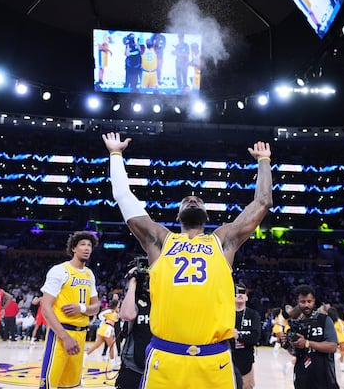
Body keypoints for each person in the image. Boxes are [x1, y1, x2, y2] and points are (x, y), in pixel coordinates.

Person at [102, 132, 272, 389]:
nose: (192, 200)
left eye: (198, 200)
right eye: (186, 201)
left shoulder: (223, 240)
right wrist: (116, 154)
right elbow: (124, 197)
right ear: (178, 214)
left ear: (205, 213)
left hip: (214, 359)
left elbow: (263, 201)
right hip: (166, 358)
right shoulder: (160, 240)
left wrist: (264, 161)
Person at [38, 231, 101, 389]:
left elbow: (96, 307)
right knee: (49, 385)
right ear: (74, 248)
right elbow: (46, 308)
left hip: (81, 335)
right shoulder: (60, 270)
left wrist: (81, 308)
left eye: (90, 245)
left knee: (71, 385)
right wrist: (64, 337)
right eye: (83, 245)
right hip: (61, 334)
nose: (87, 248)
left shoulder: (89, 274)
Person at [279, 284, 339, 389]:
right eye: (303, 302)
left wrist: (307, 343)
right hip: (303, 376)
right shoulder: (295, 324)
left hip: (324, 376)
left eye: (309, 301)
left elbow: (332, 346)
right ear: (297, 302)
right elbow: (295, 353)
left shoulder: (324, 320)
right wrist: (287, 345)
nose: (306, 305)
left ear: (314, 301)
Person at [114, 260, 153, 389]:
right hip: (133, 365)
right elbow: (127, 315)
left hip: (158, 365)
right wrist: (132, 283)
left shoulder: (163, 299)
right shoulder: (136, 299)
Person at [231, 284, 261, 389]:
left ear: (246, 297)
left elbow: (256, 337)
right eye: (236, 292)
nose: (239, 294)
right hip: (228, 361)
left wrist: (238, 335)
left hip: (246, 363)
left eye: (243, 292)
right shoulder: (226, 314)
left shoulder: (253, 315)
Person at [85, 299, 119, 364]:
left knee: (97, 345)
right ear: (116, 305)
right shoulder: (110, 311)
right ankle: (113, 363)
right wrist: (105, 319)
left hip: (105, 329)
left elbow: (116, 319)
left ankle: (85, 356)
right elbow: (100, 315)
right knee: (111, 346)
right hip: (107, 329)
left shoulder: (114, 312)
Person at [327, 306, 344, 372]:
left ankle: (342, 365)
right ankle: (339, 358)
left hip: (334, 338)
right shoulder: (339, 321)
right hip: (342, 337)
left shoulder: (329, 320)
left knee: (341, 351)